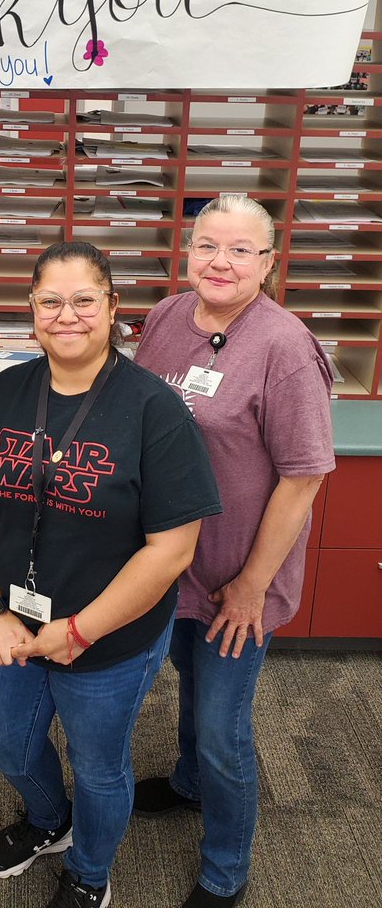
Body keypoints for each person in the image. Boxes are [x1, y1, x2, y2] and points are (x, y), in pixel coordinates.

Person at [0, 241, 222, 908]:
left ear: (111, 310)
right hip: (15, 622)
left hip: (110, 637)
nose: (65, 316)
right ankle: (49, 821)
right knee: (4, 745)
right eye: (50, 302)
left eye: (82, 301)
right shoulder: (7, 390)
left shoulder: (153, 411)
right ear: (32, 311)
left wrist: (81, 629)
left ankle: (90, 874)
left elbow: (170, 551)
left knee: (99, 768)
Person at [132, 195, 335, 908]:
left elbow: (304, 475)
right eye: (206, 245)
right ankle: (188, 785)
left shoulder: (283, 347)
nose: (220, 262)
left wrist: (252, 582)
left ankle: (225, 869)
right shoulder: (163, 317)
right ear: (186, 251)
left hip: (234, 573)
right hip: (167, 562)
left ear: (269, 263)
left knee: (222, 725)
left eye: (240, 250)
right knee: (187, 680)